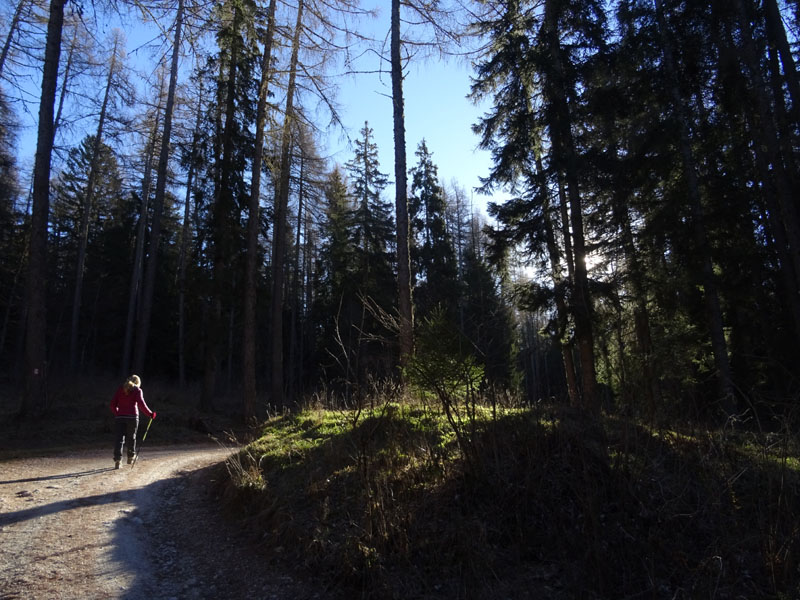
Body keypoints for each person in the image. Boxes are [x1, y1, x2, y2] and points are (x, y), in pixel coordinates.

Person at [110, 375, 156, 469]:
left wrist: (117, 413)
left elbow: (112, 404)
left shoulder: (120, 389)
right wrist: (150, 414)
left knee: (119, 439)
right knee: (132, 437)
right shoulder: (137, 390)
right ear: (137, 382)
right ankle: (130, 457)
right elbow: (141, 404)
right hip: (132, 417)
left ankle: (118, 461)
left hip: (120, 417)